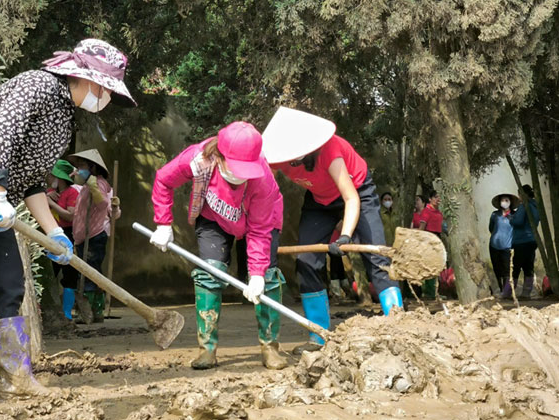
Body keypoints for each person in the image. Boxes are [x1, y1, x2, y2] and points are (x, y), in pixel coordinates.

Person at [0, 38, 135, 405]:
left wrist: (54, 233)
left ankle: (15, 378)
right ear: (91, 80)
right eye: (107, 89)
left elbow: (32, 181)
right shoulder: (38, 85)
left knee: (11, 283)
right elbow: (0, 136)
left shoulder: (63, 118)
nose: (106, 98)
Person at [262, 107, 403, 354]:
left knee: (378, 260)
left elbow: (351, 199)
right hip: (319, 201)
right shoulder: (274, 156)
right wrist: (265, 232)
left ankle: (398, 328)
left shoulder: (330, 150)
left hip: (357, 192)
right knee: (306, 262)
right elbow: (266, 193)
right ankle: (319, 336)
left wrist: (345, 235)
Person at [150, 121, 288, 370]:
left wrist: (256, 274)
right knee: (210, 273)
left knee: (267, 277)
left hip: (259, 224)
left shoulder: (263, 181)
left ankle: (270, 347)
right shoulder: (197, 159)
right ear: (219, 156)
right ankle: (207, 349)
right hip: (214, 219)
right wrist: (163, 223)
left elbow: (259, 231)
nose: (241, 175)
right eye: (236, 168)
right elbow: (163, 180)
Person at [70, 149, 120, 323]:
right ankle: (96, 311)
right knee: (93, 272)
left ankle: (89, 312)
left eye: (83, 165)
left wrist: (93, 187)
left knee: (90, 273)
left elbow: (103, 204)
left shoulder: (98, 183)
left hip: (95, 234)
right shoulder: (87, 185)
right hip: (85, 235)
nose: (79, 169)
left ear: (93, 167)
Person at [47, 159, 81, 320]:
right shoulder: (49, 192)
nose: (49, 177)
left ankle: (67, 313)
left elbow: (70, 215)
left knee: (69, 274)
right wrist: (47, 198)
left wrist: (52, 204)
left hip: (67, 234)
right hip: (49, 235)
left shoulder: (72, 193)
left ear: (59, 177)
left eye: (52, 175)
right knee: (49, 272)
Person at [511, 185, 540, 299]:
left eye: (519, 195)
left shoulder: (524, 206)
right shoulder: (536, 205)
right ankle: (526, 293)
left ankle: (509, 293)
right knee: (529, 267)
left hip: (521, 241)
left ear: (523, 194)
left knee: (515, 267)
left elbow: (518, 222)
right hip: (532, 240)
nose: (519, 198)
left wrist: (511, 219)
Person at [489, 193, 518, 298]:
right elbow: (491, 228)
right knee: (497, 268)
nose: (504, 202)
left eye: (506, 200)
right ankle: (501, 289)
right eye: (502, 200)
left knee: (507, 269)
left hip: (508, 246)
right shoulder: (495, 215)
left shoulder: (515, 215)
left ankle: (507, 292)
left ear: (510, 202)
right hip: (494, 245)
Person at [418, 191, 444, 298]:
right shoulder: (426, 211)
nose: (438, 199)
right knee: (429, 266)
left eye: (439, 197)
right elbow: (422, 227)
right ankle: (429, 292)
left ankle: (435, 292)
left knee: (437, 266)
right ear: (430, 199)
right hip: (428, 240)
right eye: (435, 197)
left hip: (438, 240)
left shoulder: (439, 213)